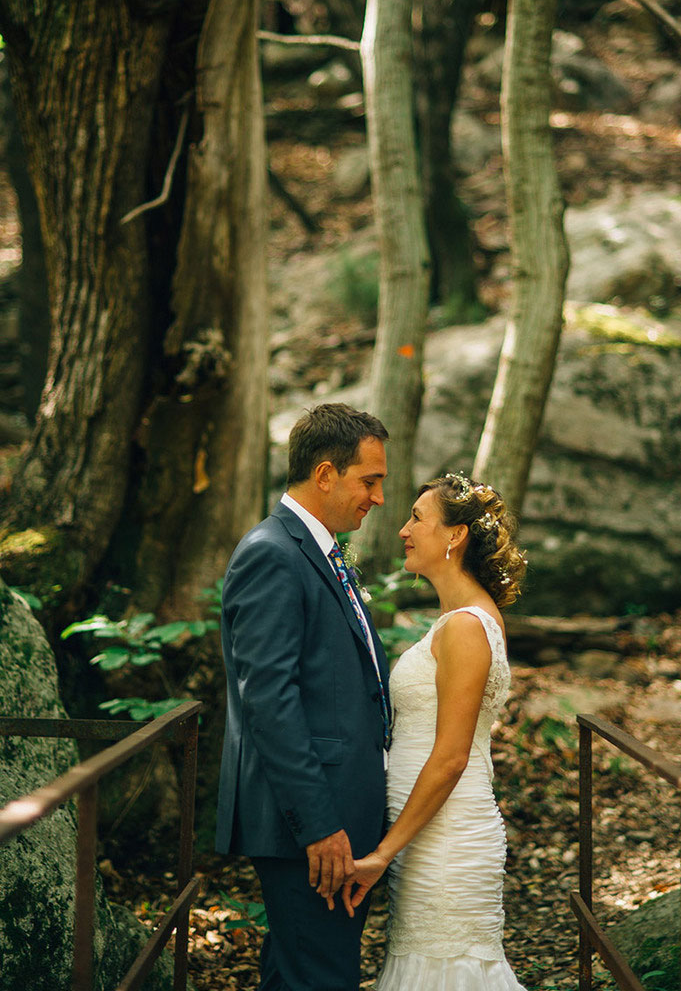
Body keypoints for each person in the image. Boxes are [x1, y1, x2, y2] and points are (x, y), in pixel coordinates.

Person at [215, 402, 391, 991]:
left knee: (301, 972)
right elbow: (268, 700)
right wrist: (318, 825)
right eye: (369, 481)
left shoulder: (320, 551)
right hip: (312, 826)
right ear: (324, 474)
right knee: (319, 976)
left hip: (336, 814)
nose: (378, 497)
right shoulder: (273, 553)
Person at [341, 472, 528, 990]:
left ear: (454, 535)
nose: (403, 529)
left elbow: (451, 757)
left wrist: (381, 853)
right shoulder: (454, 620)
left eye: (417, 519)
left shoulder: (467, 626)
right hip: (424, 838)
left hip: (445, 841)